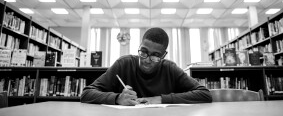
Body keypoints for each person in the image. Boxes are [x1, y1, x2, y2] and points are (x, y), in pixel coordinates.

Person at [80, 27, 212, 105]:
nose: (147, 60)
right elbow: (86, 93)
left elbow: (204, 94)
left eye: (155, 55)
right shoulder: (123, 64)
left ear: (163, 55)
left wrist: (161, 99)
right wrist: (117, 98)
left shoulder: (170, 68)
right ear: (139, 46)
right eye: (143, 52)